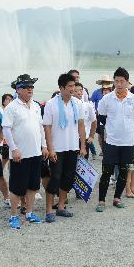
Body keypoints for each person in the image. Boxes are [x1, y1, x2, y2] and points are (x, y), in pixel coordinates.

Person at [2, 75, 48, 229]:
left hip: (35, 153)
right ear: (18, 89)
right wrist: (13, 148)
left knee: (33, 186)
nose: (30, 89)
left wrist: (44, 146)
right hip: (19, 154)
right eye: (26, 86)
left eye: (32, 87)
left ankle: (29, 213)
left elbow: (40, 127)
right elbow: (7, 130)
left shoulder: (35, 106)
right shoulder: (11, 107)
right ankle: (13, 215)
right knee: (16, 187)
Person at [96, 67, 134, 211]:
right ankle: (101, 200)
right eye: (116, 81)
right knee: (107, 171)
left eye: (122, 81)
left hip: (128, 141)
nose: (119, 84)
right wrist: (114, 128)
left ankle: (117, 197)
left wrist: (126, 129)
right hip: (111, 141)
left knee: (124, 171)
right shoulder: (107, 98)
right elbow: (102, 117)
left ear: (127, 82)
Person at [42, 73, 86, 222]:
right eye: (70, 86)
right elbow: (47, 127)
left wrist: (83, 145)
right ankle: (49, 210)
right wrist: (50, 148)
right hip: (57, 148)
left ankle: (61, 207)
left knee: (68, 177)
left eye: (74, 86)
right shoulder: (51, 104)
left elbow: (81, 124)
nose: (73, 89)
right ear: (61, 88)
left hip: (72, 147)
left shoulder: (77, 103)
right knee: (55, 178)